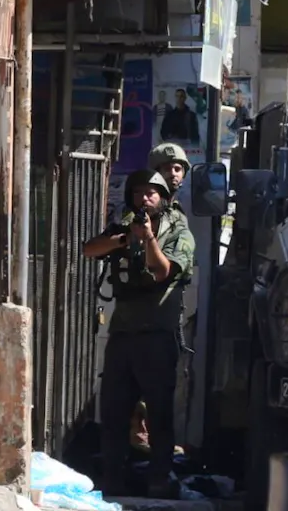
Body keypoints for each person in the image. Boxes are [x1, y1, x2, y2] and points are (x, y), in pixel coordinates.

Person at [83, 169, 196, 500]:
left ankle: (159, 479)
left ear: (163, 197)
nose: (145, 198)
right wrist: (123, 239)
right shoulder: (125, 226)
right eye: (139, 192)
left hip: (157, 337)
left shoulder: (179, 233)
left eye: (152, 192)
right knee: (115, 411)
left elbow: (162, 271)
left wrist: (147, 239)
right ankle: (113, 479)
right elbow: (90, 250)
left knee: (159, 415)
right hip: (123, 335)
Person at [148, 143, 191, 208]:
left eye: (177, 169)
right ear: (156, 174)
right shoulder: (147, 209)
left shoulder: (176, 211)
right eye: (167, 169)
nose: (173, 173)